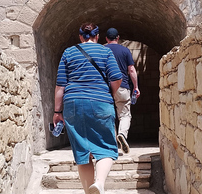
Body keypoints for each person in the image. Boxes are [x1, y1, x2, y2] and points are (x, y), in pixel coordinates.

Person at [53, 22, 122, 194]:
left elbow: (60, 86)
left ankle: (89, 191)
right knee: (106, 147)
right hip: (100, 101)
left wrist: (56, 112)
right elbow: (116, 78)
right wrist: (109, 94)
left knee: (82, 152)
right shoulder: (105, 51)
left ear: (80, 36)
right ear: (97, 36)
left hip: (73, 103)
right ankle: (99, 183)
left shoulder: (68, 52)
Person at [105, 27, 140, 154]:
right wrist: (136, 87)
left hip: (106, 88)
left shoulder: (103, 50)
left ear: (106, 39)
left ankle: (111, 143)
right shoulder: (125, 50)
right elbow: (131, 70)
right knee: (125, 114)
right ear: (118, 38)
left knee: (108, 115)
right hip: (122, 86)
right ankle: (122, 135)